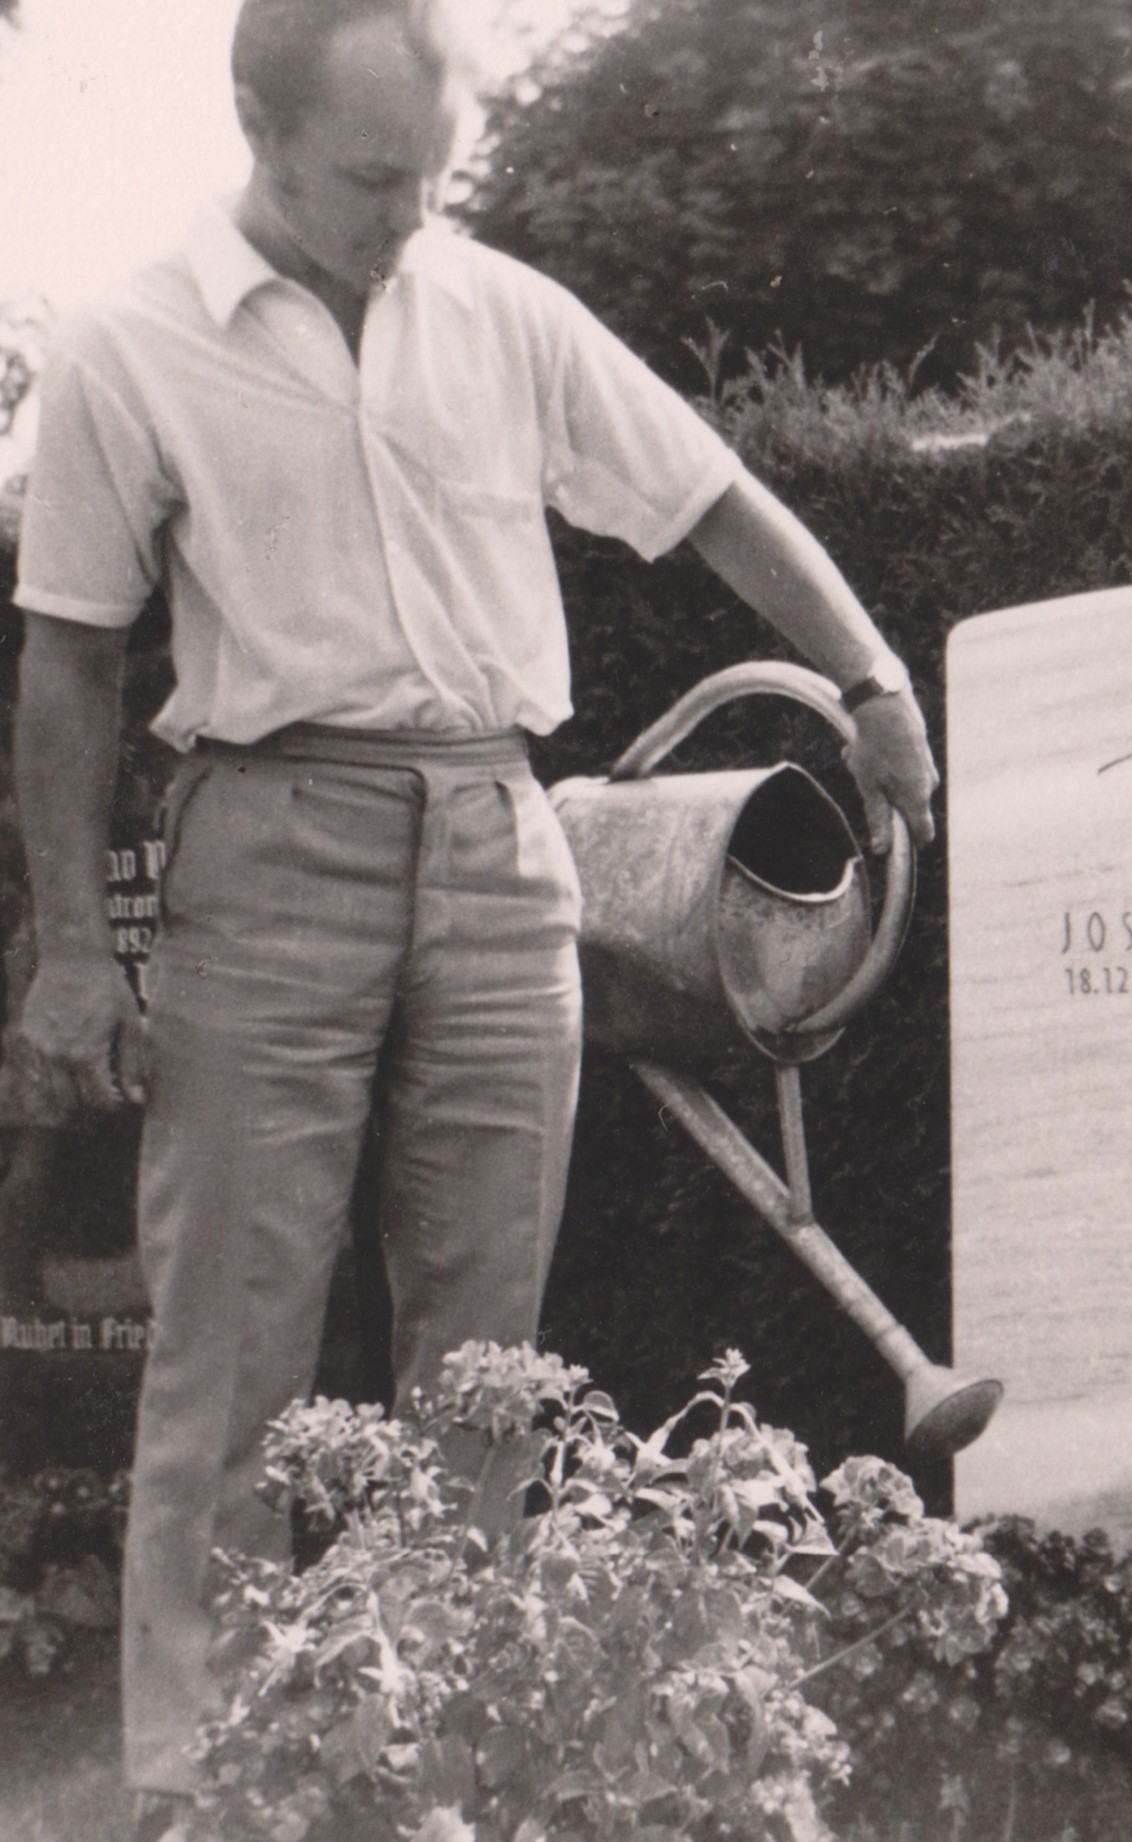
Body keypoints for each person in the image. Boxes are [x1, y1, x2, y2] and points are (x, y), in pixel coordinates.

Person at [8, 0, 938, 1827]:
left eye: (434, 173)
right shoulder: (132, 343)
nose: (410, 214)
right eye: (374, 178)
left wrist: (873, 678)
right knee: (232, 1350)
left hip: (506, 843)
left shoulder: (502, 312)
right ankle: (209, 1791)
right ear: (258, 127)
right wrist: (66, 946)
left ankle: (459, 1770)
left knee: (488, 1363)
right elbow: (69, 663)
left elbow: (710, 496)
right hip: (265, 844)